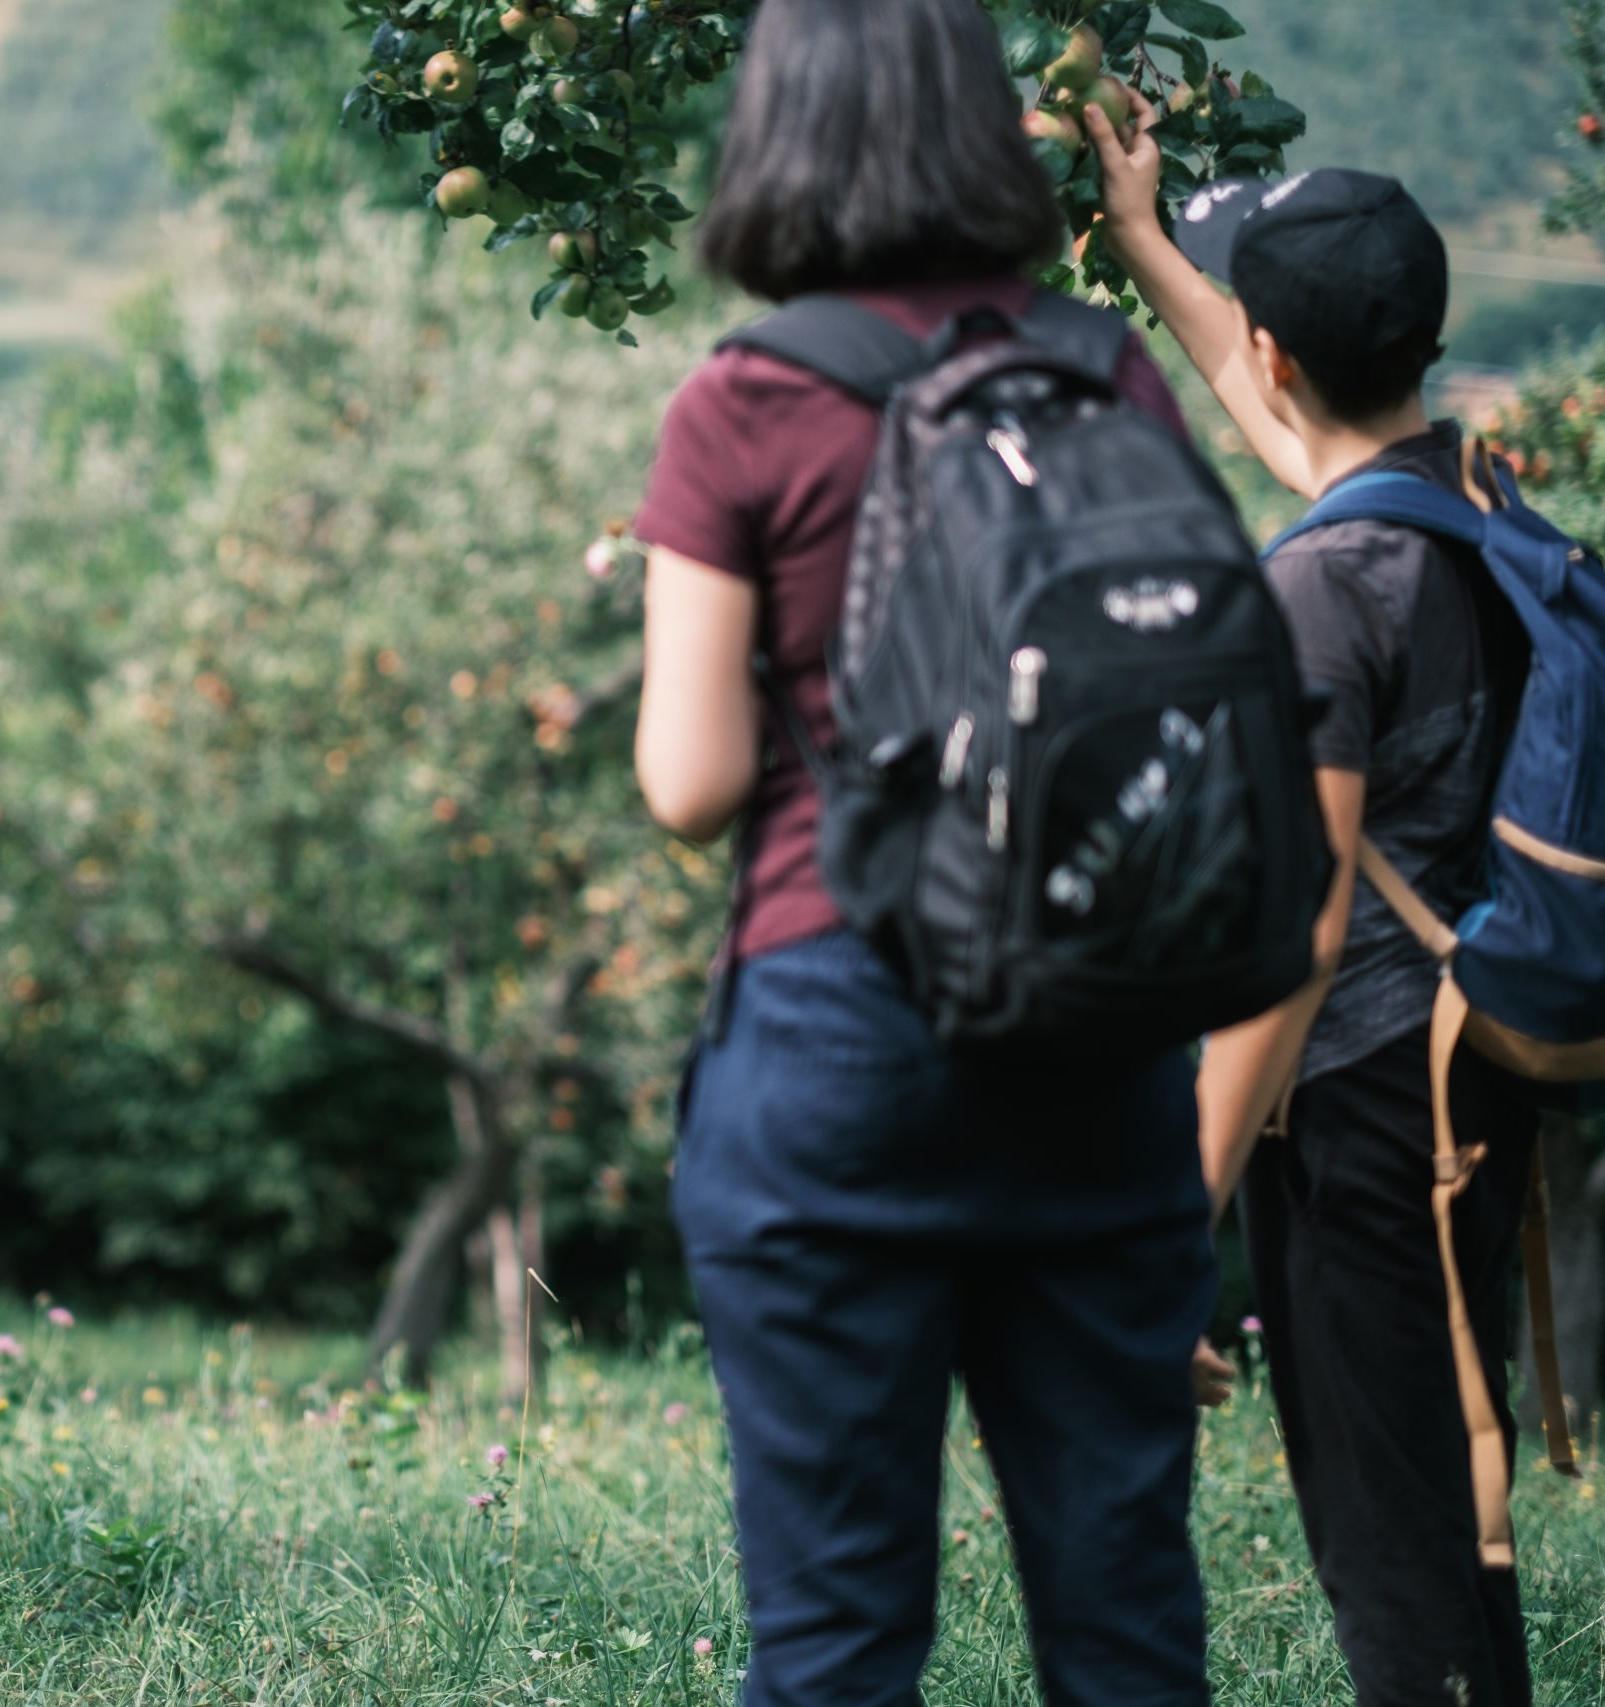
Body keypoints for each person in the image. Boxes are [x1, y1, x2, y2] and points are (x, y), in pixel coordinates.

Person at [631, 2, 1219, 1702]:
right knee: (1125, 1623)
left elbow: (690, 779)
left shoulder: (744, 399)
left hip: (838, 1037)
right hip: (1101, 1037)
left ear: (777, 131)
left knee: (835, 1637)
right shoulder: (1096, 367)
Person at [1091, 104, 1541, 1707]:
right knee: (1453, 1500)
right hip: (1470, 1070)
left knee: (1391, 1542)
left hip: (1359, 1110)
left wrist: (1173, 1227)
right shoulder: (1462, 505)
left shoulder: (1317, 590)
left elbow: (1298, 926)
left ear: (1285, 352)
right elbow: (1277, 413)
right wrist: (1146, 239)